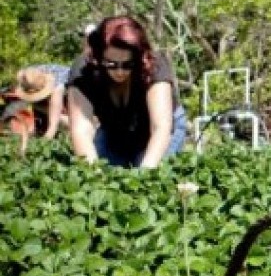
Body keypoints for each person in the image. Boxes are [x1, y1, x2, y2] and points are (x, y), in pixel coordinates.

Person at [67, 15, 187, 168]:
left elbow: (160, 127)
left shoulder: (154, 65)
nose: (119, 71)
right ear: (98, 57)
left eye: (127, 64)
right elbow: (81, 128)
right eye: (111, 64)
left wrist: (145, 174)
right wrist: (94, 175)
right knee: (104, 174)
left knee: (151, 175)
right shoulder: (83, 72)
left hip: (159, 128)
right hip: (114, 129)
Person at [9, 64, 71, 139]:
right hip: (61, 91)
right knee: (39, 106)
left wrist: (45, 141)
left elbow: (54, 124)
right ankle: (41, 130)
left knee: (63, 118)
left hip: (83, 91)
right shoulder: (30, 76)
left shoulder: (57, 85)